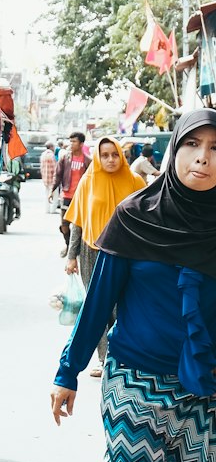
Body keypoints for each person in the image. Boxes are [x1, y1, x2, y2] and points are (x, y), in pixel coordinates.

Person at [51, 109, 216, 462]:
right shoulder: (134, 216)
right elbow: (98, 304)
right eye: (193, 146)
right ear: (174, 152)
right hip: (135, 377)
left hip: (205, 388)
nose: (203, 159)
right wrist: (67, 372)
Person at [63, 137, 142, 377]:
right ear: (98, 156)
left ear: (121, 155)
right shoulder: (88, 181)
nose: (110, 159)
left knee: (123, 305)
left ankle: (120, 355)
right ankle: (102, 358)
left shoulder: (135, 181)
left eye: (114, 154)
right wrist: (71, 256)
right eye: (105, 155)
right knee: (98, 305)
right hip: (92, 251)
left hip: (126, 253)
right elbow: (78, 221)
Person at [54, 131, 91, 251]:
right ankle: (68, 245)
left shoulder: (88, 161)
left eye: (74, 141)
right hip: (66, 196)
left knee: (80, 225)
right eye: (70, 141)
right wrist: (52, 190)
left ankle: (76, 248)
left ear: (81, 144)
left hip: (82, 198)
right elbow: (58, 175)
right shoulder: (65, 158)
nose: (71, 144)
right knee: (64, 225)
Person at [39, 141, 58, 212]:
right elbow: (55, 167)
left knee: (47, 194)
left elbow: (41, 167)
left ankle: (47, 209)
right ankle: (53, 210)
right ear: (51, 147)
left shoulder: (43, 155)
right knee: (55, 195)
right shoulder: (51, 155)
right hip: (52, 178)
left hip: (45, 178)